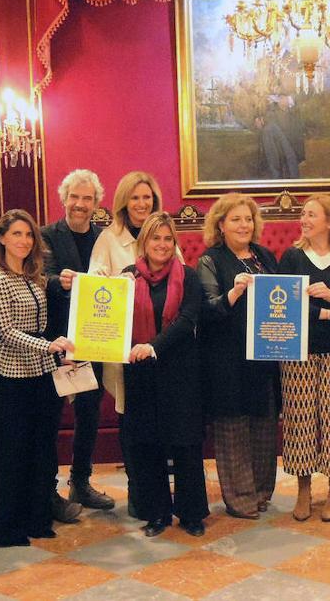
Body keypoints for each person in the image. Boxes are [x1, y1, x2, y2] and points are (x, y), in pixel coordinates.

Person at [0, 209, 75, 547]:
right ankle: (9, 527)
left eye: (28, 235)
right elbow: (5, 331)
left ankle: (38, 518)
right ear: (2, 238)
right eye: (16, 234)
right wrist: (48, 344)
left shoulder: (35, 275)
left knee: (42, 449)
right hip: (12, 373)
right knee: (13, 451)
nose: (23, 241)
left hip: (43, 373)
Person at [89, 170, 176, 518]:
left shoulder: (164, 235)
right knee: (133, 423)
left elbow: (180, 279)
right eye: (135, 198)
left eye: (148, 198)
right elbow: (97, 289)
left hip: (162, 347)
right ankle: (138, 492)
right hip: (125, 348)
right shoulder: (108, 239)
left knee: (161, 422)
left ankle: (159, 494)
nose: (142, 204)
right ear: (124, 202)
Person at [277, 194, 330, 522]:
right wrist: (327, 314)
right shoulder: (292, 257)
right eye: (303, 214)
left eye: (311, 214)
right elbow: (285, 303)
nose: (304, 219)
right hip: (298, 349)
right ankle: (302, 490)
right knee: (299, 419)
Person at [121, 212, 208, 537]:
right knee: (148, 445)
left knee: (186, 445)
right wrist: (115, 290)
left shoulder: (188, 276)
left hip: (181, 373)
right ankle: (157, 513)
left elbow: (187, 321)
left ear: (175, 243)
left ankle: (191, 514)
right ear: (144, 242)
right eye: (155, 238)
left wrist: (153, 346)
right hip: (141, 374)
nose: (161, 244)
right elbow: (109, 321)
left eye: (167, 239)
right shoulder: (127, 277)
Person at [195, 193, 281, 519]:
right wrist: (234, 291)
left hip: (263, 358)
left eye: (248, 219)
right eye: (236, 219)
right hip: (226, 360)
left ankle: (261, 491)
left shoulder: (265, 256)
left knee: (263, 426)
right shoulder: (210, 260)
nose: (243, 225)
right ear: (221, 224)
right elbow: (207, 309)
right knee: (232, 430)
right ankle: (240, 497)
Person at [42, 169, 111, 520]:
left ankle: (80, 481)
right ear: (63, 198)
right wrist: (58, 281)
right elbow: (39, 277)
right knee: (52, 417)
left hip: (96, 340)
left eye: (87, 199)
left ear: (97, 204)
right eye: (75, 197)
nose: (80, 204)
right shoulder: (46, 236)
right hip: (57, 342)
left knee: (89, 413)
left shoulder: (104, 238)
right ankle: (48, 488)